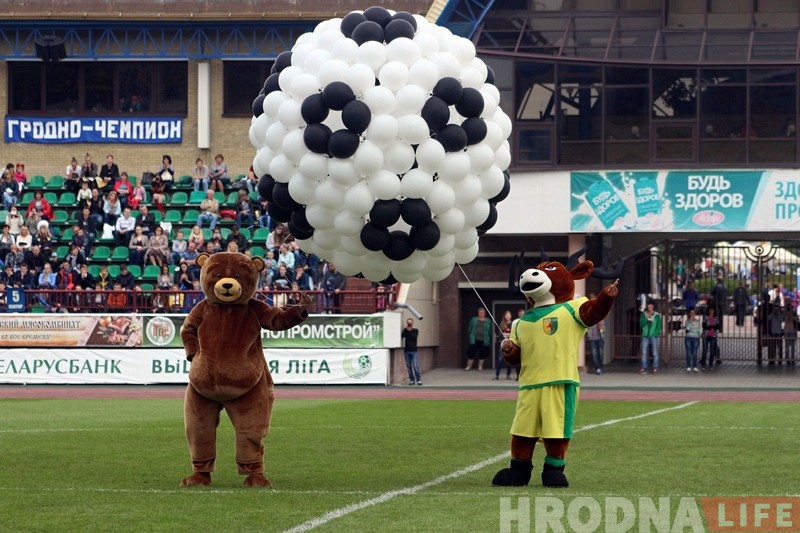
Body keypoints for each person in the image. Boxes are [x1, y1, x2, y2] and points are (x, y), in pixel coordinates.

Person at [465, 307, 491, 371]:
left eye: (482, 312)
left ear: (485, 313)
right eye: (480, 312)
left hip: (484, 340)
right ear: (478, 313)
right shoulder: (474, 319)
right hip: (474, 339)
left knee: (482, 353)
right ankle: (469, 366)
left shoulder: (488, 321)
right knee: (471, 353)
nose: (481, 314)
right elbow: (470, 329)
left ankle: (480, 366)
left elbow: (490, 331)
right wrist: (471, 335)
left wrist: (488, 337)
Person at [639, 302, 661, 374]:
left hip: (653, 336)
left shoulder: (657, 315)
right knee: (644, 352)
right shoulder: (644, 315)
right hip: (645, 335)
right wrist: (646, 318)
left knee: (655, 352)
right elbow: (641, 324)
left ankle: (655, 368)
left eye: (651, 307)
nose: (649, 308)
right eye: (648, 307)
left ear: (653, 307)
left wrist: (656, 333)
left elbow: (659, 326)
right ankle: (643, 367)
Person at [495, 310, 517, 380]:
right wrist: (503, 335)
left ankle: (508, 375)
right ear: (504, 316)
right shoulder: (502, 324)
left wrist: (508, 335)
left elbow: (514, 334)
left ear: (511, 316)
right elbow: (500, 334)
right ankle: (497, 375)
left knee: (509, 360)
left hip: (510, 344)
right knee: (500, 359)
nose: (508, 316)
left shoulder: (513, 324)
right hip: (503, 344)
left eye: (509, 315)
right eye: (506, 315)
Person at [401, 317, 421, 385]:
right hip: (407, 351)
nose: (409, 323)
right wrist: (406, 330)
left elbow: (414, 337)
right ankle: (411, 380)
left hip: (414, 351)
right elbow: (402, 336)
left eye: (410, 322)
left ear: (413, 323)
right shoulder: (405, 330)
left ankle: (418, 379)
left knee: (415, 366)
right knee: (409, 367)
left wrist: (410, 330)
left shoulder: (415, 330)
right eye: (408, 322)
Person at [700, 305, 720, 370]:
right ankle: (703, 364)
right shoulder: (705, 317)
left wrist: (710, 327)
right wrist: (711, 327)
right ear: (708, 311)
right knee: (704, 350)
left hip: (713, 336)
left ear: (714, 311)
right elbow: (704, 326)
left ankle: (710, 364)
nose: (711, 311)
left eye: (712, 310)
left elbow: (717, 326)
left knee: (712, 351)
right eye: (710, 310)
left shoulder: (716, 318)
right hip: (706, 335)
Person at [684, 308, 702, 372]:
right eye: (691, 313)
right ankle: (688, 366)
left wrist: (692, 329)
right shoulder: (687, 321)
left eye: (693, 313)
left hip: (696, 338)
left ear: (695, 314)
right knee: (688, 352)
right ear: (689, 314)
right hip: (688, 337)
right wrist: (691, 322)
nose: (692, 314)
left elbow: (698, 330)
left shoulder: (698, 321)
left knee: (695, 352)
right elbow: (687, 330)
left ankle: (695, 366)